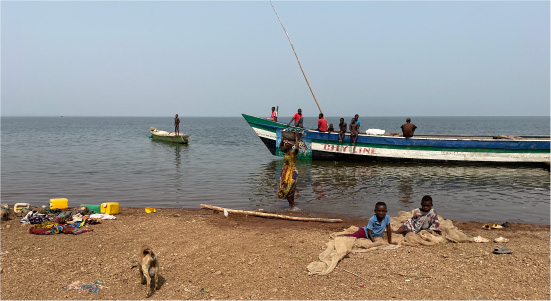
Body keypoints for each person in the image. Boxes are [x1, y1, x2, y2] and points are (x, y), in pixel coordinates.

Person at [278, 132, 301, 210]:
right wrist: (282, 139)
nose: (285, 145)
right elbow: (280, 146)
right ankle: (291, 206)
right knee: (285, 189)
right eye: (285, 144)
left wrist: (297, 138)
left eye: (287, 144)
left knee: (289, 189)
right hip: (285, 172)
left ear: (290, 145)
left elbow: (297, 148)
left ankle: (292, 206)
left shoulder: (293, 152)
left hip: (292, 172)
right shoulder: (285, 152)